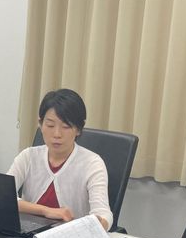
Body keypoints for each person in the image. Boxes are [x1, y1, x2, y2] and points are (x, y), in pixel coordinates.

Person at [8, 88, 113, 230]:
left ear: (79, 129)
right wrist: (45, 210)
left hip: (71, 236)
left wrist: (100, 223)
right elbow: (4, 197)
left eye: (66, 126)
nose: (57, 134)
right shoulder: (28, 156)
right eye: (50, 125)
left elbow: (103, 213)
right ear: (41, 124)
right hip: (28, 235)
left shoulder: (92, 164)